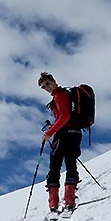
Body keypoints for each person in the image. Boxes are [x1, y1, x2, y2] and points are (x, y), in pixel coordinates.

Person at [38, 71, 81, 212]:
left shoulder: (59, 95)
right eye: (44, 87)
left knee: (55, 167)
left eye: (48, 84)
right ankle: (69, 201)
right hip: (75, 133)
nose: (47, 88)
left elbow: (64, 116)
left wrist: (49, 133)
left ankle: (53, 203)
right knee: (70, 164)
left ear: (54, 81)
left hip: (63, 135)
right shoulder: (66, 95)